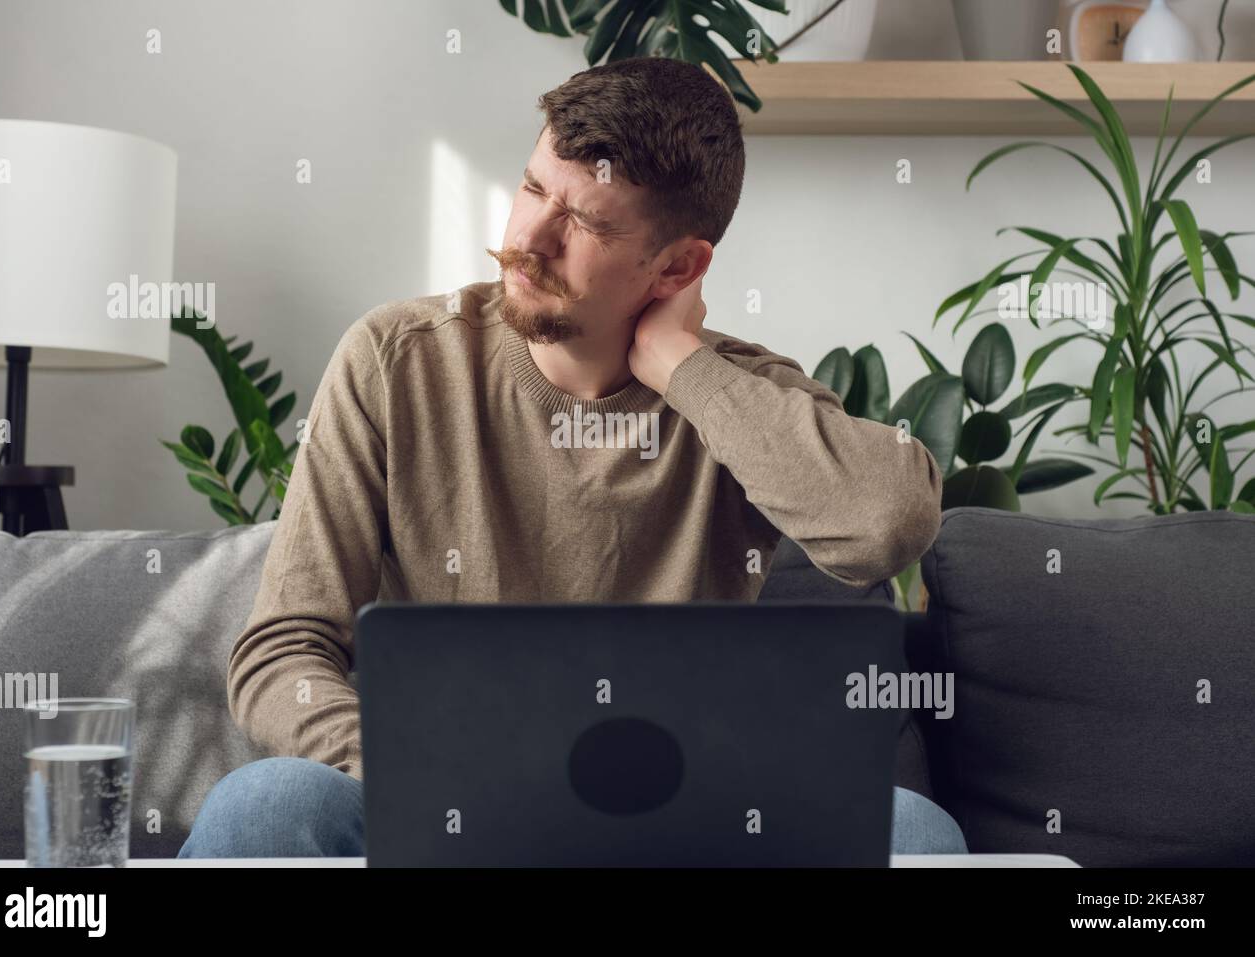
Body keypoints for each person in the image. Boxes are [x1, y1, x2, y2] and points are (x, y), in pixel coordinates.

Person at [180, 57, 967, 860]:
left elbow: (890, 521)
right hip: (431, 807)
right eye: (531, 189)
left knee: (917, 833)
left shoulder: (732, 393)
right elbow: (283, 648)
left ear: (678, 268)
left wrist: (681, 370)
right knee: (267, 802)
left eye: (585, 224)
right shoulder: (396, 360)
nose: (527, 241)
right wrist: (410, 775)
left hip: (676, 815)